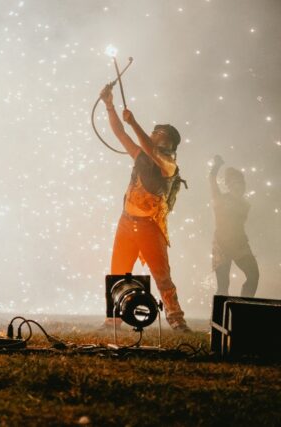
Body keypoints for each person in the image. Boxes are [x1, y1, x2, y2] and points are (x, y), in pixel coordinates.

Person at [100, 84, 190, 331]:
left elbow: (149, 149)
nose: (154, 133)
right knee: (118, 271)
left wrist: (134, 122)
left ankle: (176, 319)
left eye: (159, 132)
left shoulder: (169, 165)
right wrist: (109, 105)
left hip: (151, 225)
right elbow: (120, 134)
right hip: (127, 221)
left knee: (162, 276)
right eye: (154, 130)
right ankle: (113, 320)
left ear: (170, 143)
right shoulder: (143, 154)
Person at [209, 155, 259, 297]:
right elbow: (212, 180)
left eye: (241, 184)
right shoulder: (220, 199)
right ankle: (218, 318)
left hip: (240, 244)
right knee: (223, 285)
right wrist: (216, 166)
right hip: (221, 244)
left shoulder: (245, 204)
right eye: (235, 184)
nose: (239, 187)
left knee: (253, 275)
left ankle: (244, 308)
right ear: (230, 186)